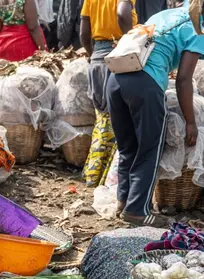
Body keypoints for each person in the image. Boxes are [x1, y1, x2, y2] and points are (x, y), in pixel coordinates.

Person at [105, 3, 204, 227]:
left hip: (115, 78)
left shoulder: (165, 15)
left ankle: (124, 202)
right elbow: (184, 80)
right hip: (144, 84)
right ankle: (138, 211)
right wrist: (190, 122)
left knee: (128, 147)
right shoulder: (198, 28)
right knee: (150, 148)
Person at [80, 0, 135, 188]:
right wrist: (130, 43)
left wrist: (92, 54)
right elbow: (122, 14)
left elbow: (84, 33)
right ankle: (109, 179)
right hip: (118, 55)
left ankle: (93, 173)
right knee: (119, 121)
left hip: (97, 58)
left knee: (102, 119)